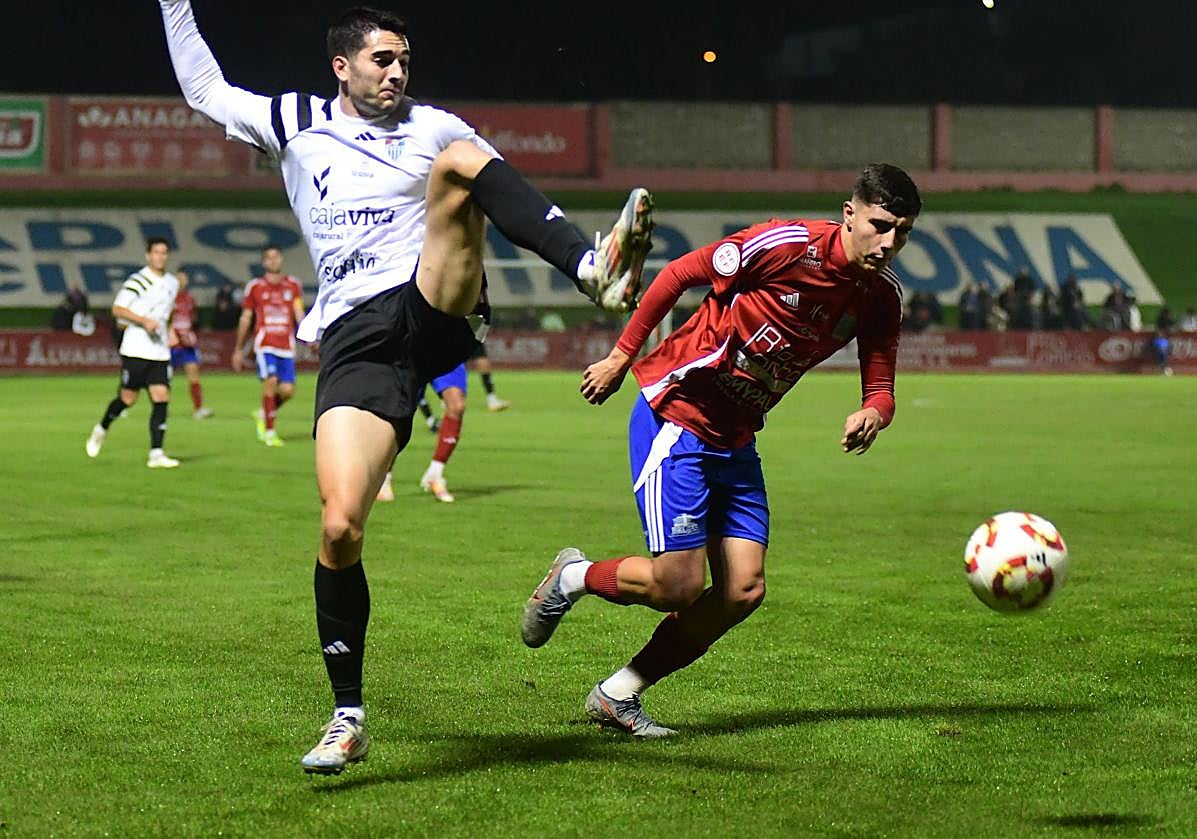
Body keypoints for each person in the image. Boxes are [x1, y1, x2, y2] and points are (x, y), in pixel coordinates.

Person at [158, 0, 653, 774]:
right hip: (356, 339)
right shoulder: (292, 121)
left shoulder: (436, 128)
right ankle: (346, 714)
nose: (396, 73)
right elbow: (204, 89)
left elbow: (498, 194)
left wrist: (563, 251)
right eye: (381, 60)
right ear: (342, 67)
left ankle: (591, 268)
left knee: (459, 162)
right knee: (339, 527)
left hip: (433, 305)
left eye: (403, 60)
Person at [520, 163, 921, 737]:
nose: (888, 244)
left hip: (735, 437)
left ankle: (619, 693)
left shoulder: (880, 297)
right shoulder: (786, 246)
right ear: (849, 213)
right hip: (678, 417)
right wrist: (620, 357)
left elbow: (881, 391)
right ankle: (574, 576)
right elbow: (679, 273)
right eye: (880, 225)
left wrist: (871, 415)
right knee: (677, 585)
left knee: (742, 590)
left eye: (902, 233)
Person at [85, 237, 181, 469]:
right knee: (128, 399)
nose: (160, 256)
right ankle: (101, 428)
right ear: (148, 256)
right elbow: (117, 309)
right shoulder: (138, 281)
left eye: (164, 252)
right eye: (156, 252)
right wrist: (142, 320)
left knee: (161, 397)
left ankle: (156, 453)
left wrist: (171, 330)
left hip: (159, 350)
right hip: (136, 349)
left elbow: (167, 312)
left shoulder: (172, 282)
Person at [233, 246, 307, 447]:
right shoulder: (255, 287)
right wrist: (238, 348)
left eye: (276, 257)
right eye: (269, 258)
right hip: (266, 344)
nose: (273, 261)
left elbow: (298, 312)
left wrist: (309, 334)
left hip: (286, 344)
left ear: (281, 260)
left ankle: (263, 413)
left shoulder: (293, 285)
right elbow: (246, 317)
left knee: (288, 391)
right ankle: (269, 431)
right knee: (271, 381)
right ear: (264, 262)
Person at [376, 359, 469, 503]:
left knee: (457, 406)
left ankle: (435, 474)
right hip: (412, 349)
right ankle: (384, 479)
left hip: (447, 348)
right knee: (400, 411)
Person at [169, 270, 215, 419]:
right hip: (171, 343)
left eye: (185, 278)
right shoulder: (167, 298)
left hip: (187, 345)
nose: (182, 282)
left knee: (194, 374)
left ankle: (198, 409)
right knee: (162, 378)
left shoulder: (190, 299)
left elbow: (192, 320)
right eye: (179, 279)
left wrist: (190, 335)